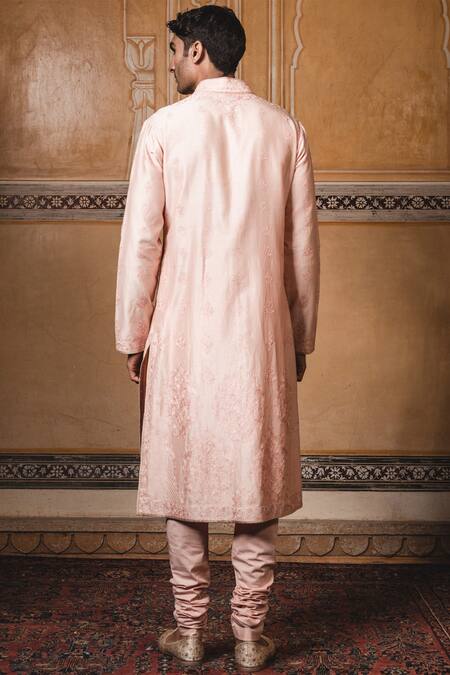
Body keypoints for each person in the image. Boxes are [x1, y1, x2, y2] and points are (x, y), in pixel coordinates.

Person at [115, 4, 320, 671]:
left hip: (182, 328)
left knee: (185, 477)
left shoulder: (164, 128)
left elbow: (143, 242)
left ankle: (190, 630)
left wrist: (133, 333)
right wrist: (300, 337)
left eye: (176, 50)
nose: (172, 61)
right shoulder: (284, 129)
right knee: (255, 479)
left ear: (198, 51)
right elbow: (301, 250)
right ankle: (252, 635)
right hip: (260, 332)